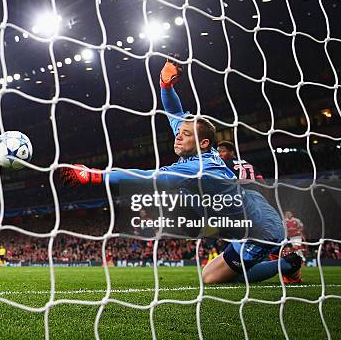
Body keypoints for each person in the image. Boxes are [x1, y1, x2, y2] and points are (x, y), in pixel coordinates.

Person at [60, 59, 301, 284]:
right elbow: (174, 112)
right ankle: (276, 259)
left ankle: (289, 265)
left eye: (184, 135)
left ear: (203, 143)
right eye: (179, 132)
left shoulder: (197, 169)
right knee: (211, 273)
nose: (178, 136)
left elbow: (144, 177)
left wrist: (95, 175)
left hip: (260, 230)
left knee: (216, 279)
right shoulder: (196, 142)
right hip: (249, 216)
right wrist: (165, 86)